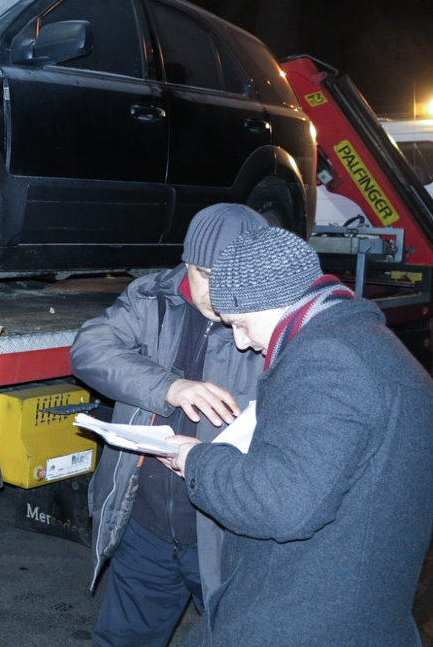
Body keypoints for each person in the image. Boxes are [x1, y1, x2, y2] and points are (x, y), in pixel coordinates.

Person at [165, 226, 433, 647]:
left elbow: (281, 503)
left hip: (302, 618)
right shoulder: (365, 342)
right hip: (354, 610)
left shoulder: (328, 362)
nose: (241, 342)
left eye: (239, 323)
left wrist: (195, 459)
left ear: (273, 302)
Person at [70, 203, 267, 647]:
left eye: (230, 276)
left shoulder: (269, 324)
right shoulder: (152, 297)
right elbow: (89, 349)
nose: (214, 292)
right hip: (147, 526)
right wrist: (171, 387)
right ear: (186, 262)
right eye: (203, 273)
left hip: (224, 537)